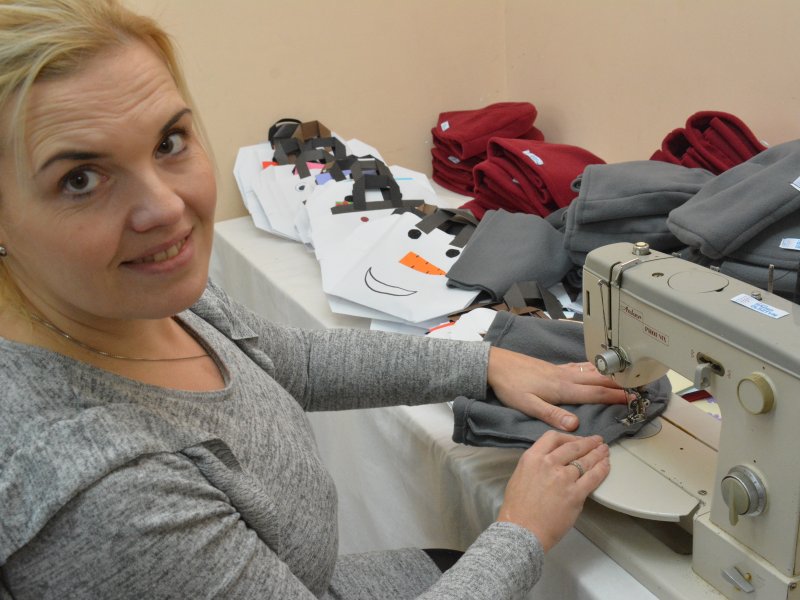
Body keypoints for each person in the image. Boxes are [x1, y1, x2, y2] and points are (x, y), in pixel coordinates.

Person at [0, 1, 627, 597]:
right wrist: (521, 532)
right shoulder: (106, 498)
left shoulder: (133, 293)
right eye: (80, 179)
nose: (166, 208)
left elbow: (279, 359)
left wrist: (484, 365)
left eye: (168, 143)